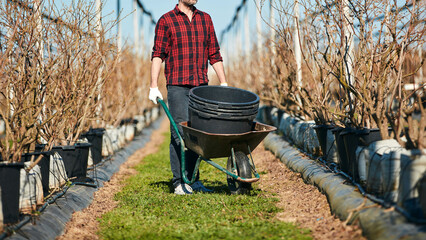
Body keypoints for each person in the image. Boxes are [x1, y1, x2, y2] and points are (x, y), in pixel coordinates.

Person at [149, 0, 227, 195]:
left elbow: (214, 54)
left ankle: (192, 179)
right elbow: (158, 55)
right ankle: (178, 183)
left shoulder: (205, 19)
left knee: (197, 134)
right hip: (177, 86)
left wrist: (224, 82)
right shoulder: (166, 20)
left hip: (200, 87)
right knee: (179, 133)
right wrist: (153, 86)